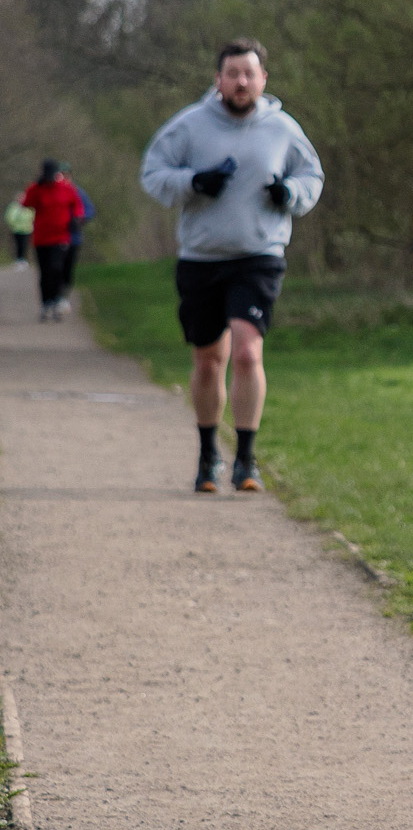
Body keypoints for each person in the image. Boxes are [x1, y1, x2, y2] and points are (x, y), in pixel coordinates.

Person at [140, 39, 324, 494]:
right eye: (232, 74)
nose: (241, 82)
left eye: (249, 73)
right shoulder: (189, 125)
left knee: (246, 352)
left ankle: (246, 459)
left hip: (259, 257)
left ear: (263, 79)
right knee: (209, 361)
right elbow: (153, 173)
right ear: (218, 80)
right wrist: (194, 181)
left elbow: (312, 177)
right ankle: (208, 454)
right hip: (201, 259)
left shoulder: (282, 128)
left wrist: (289, 195)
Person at [20, 160, 85, 320]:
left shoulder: (66, 188)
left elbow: (77, 205)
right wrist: (35, 188)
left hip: (61, 236)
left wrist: (77, 217)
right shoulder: (36, 188)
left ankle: (57, 300)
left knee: (56, 268)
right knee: (45, 271)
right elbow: (26, 203)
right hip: (41, 238)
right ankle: (46, 303)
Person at [58, 171, 95, 295]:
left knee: (68, 267)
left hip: (73, 236)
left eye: (65, 176)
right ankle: (53, 295)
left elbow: (90, 210)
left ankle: (64, 294)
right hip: (54, 237)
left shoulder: (78, 192)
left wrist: (79, 220)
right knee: (54, 266)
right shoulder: (50, 192)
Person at [5, 192, 33, 268]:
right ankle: (18, 260)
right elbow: (10, 217)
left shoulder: (29, 206)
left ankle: (23, 260)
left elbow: (32, 216)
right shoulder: (14, 207)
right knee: (18, 244)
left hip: (27, 229)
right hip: (17, 229)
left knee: (24, 245)